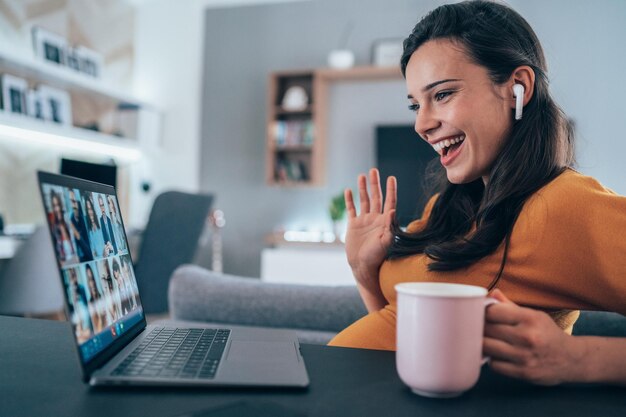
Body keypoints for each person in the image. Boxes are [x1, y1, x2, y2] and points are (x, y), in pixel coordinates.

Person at [328, 0, 626, 386]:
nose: (421, 123)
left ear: (518, 87)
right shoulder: (447, 208)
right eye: (415, 104)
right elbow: (401, 331)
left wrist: (577, 359)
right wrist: (364, 271)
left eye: (443, 94)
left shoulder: (563, 205)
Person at [48, 189, 78, 264]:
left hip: (76, 261)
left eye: (58, 205)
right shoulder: (53, 229)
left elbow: (77, 239)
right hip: (66, 265)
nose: (57, 209)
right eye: (54, 206)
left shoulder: (67, 221)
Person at [84, 194, 113, 258]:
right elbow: (93, 254)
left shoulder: (100, 225)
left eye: (91, 209)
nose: (90, 212)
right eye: (88, 209)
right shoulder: (89, 231)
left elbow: (107, 245)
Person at [68, 189, 93, 263]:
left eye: (75, 201)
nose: (74, 205)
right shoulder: (71, 220)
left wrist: (77, 235)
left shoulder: (83, 219)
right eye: (71, 201)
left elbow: (90, 255)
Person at [85, 263, 107, 333]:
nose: (93, 283)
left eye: (93, 279)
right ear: (88, 283)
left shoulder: (102, 297)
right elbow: (98, 331)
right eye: (90, 280)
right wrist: (101, 317)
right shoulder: (90, 304)